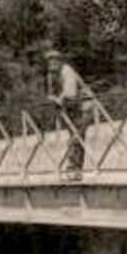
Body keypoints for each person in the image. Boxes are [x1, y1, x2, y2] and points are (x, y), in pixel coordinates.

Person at [45, 48, 88, 176]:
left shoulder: (66, 71)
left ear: (59, 61)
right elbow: (51, 93)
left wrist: (59, 99)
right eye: (49, 61)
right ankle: (75, 169)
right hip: (71, 108)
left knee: (77, 137)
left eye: (54, 61)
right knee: (75, 137)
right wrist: (54, 98)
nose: (51, 64)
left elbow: (71, 92)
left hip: (82, 106)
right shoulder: (52, 75)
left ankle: (74, 168)